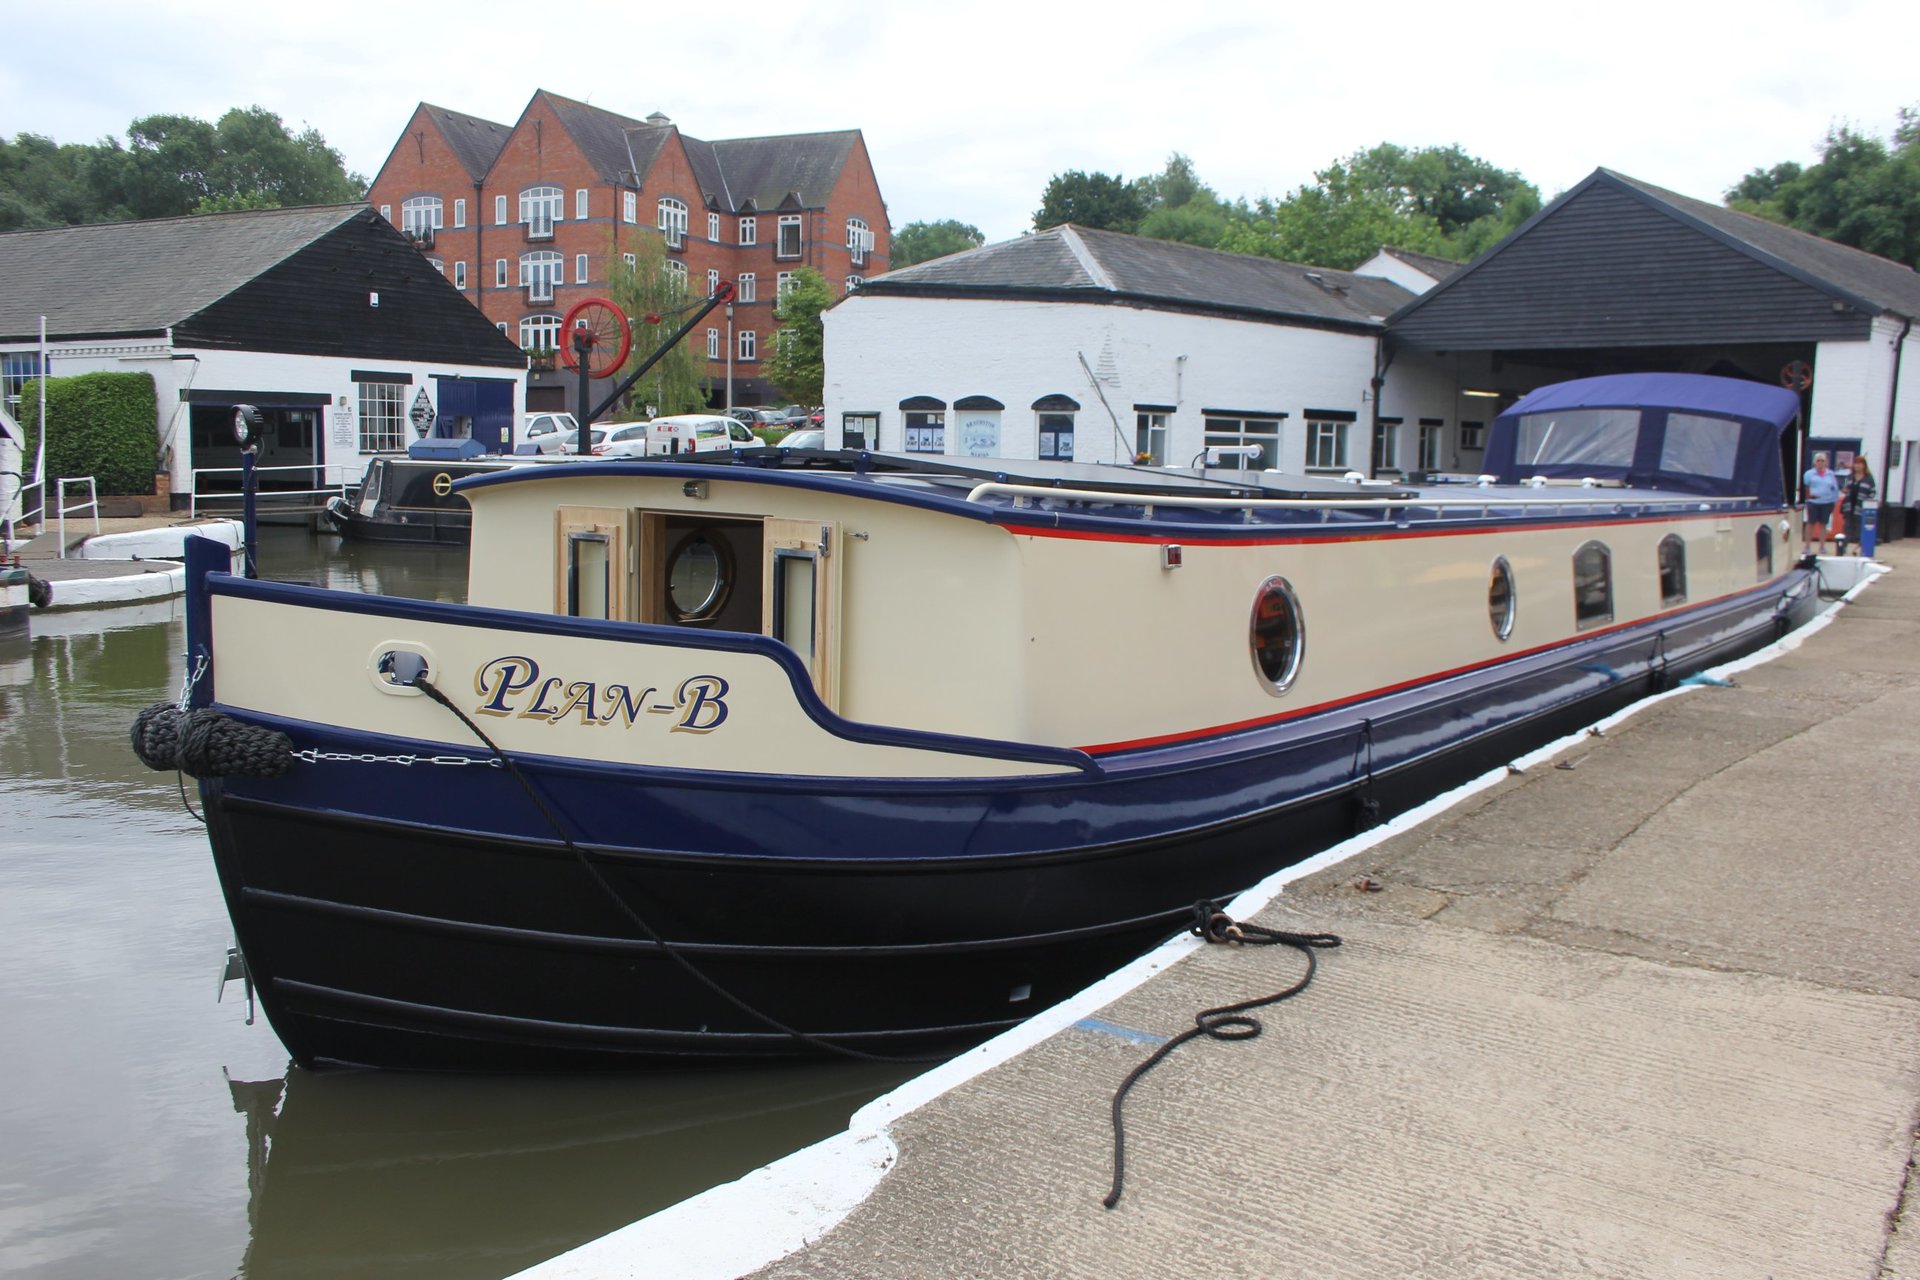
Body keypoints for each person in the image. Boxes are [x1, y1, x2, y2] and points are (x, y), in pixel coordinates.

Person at [1838, 456, 1877, 555]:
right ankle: (1842, 549)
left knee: (1860, 530)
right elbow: (1844, 487)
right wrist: (1844, 489)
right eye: (1856, 463)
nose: (1857, 466)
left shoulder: (1869, 478)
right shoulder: (1849, 477)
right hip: (1849, 507)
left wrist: (1868, 501)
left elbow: (1873, 492)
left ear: (1864, 465)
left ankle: (1861, 549)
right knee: (1847, 528)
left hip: (1861, 508)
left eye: (1860, 463)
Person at [1803, 452, 1840, 555]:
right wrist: (1808, 498)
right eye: (1818, 460)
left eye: (1822, 460)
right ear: (1815, 462)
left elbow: (1835, 488)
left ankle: (1822, 546)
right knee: (1811, 523)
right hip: (1813, 502)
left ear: (1826, 462)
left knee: (1824, 524)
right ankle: (1807, 546)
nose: (1820, 462)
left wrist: (1834, 500)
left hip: (1827, 502)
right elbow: (1806, 488)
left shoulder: (1830, 474)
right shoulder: (1809, 474)